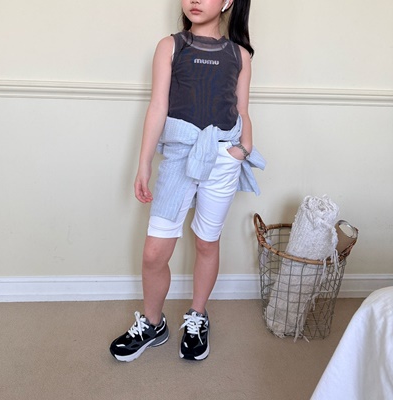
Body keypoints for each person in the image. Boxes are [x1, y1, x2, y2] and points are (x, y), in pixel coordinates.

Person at [110, 0, 265, 362]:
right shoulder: (170, 46)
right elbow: (157, 107)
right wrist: (144, 164)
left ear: (227, 2)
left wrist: (242, 150)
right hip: (180, 156)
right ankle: (153, 324)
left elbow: (242, 109)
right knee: (154, 252)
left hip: (223, 158)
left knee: (207, 242)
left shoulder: (240, 55)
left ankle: (197, 316)